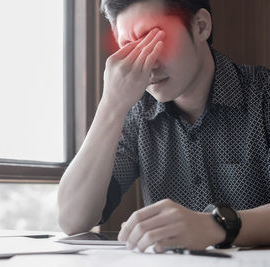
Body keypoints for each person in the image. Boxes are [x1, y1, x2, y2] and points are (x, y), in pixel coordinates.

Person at [58, 0, 270, 253]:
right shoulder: (136, 113)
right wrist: (111, 104)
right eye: (130, 48)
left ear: (201, 26)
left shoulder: (264, 96)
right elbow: (73, 220)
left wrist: (216, 226)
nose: (148, 64)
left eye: (155, 40)